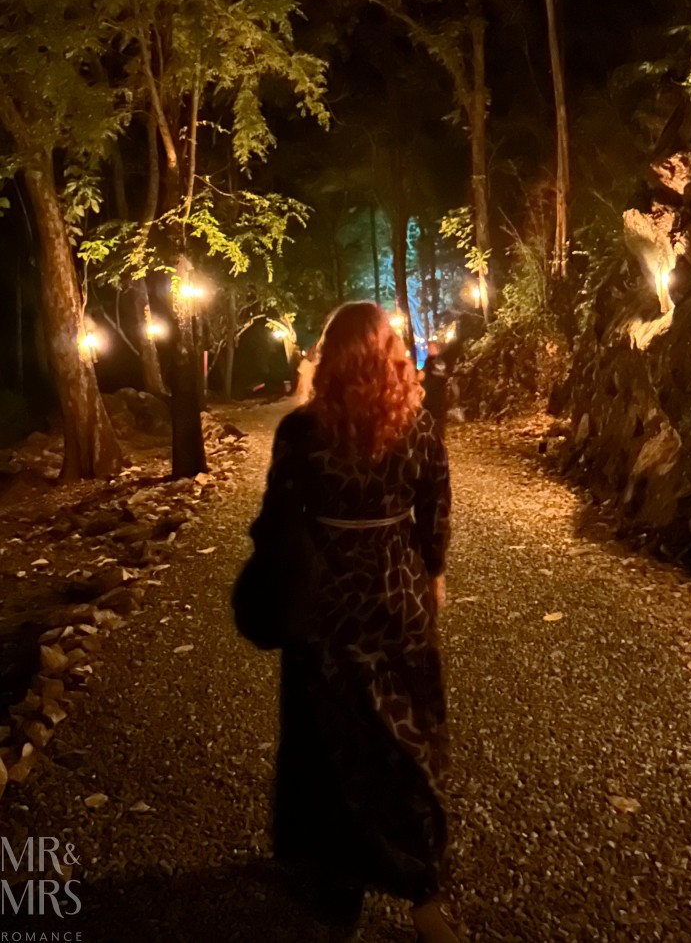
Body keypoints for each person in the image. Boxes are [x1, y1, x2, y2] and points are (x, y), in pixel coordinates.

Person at [233, 302, 462, 942]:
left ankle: (333, 880)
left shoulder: (302, 432)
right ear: (382, 354)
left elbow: (276, 515)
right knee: (405, 736)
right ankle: (421, 892)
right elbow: (434, 510)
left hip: (326, 605)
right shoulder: (416, 425)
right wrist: (433, 576)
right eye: (393, 342)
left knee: (328, 739)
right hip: (397, 595)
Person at [420, 340, 450, 437]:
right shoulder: (426, 363)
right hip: (430, 400)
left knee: (439, 425)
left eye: (432, 347)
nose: (430, 349)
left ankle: (438, 441)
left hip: (439, 400)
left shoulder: (443, 360)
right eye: (429, 348)